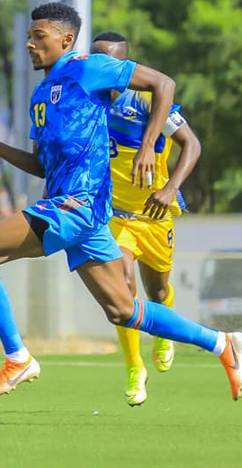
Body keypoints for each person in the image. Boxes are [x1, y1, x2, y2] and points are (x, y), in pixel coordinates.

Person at [0, 2, 242, 402]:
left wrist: (149, 146)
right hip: (84, 214)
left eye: (37, 36)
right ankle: (222, 343)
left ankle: (18, 358)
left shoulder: (88, 67)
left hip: (78, 205)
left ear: (65, 39)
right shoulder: (42, 93)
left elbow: (164, 84)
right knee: (124, 310)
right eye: (28, 36)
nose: (29, 43)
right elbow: (42, 166)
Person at [90, 31, 202, 406]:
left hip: (154, 212)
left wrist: (170, 189)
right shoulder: (87, 101)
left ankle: (164, 331)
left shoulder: (150, 98)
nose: (104, 68)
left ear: (126, 64)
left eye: (112, 61)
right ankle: (134, 367)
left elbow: (192, 144)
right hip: (114, 215)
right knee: (122, 288)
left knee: (156, 291)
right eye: (97, 59)